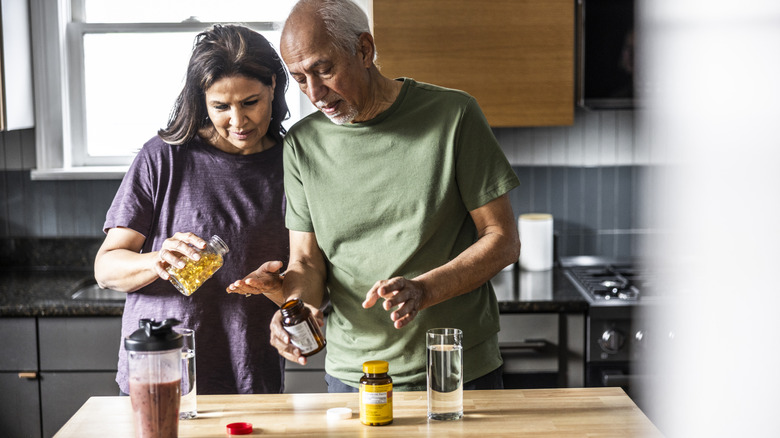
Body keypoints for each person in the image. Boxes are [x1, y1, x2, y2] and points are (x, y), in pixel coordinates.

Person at [270, 0, 521, 392]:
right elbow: (305, 262)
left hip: (456, 366)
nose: (315, 92)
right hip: (354, 375)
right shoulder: (302, 145)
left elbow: (502, 240)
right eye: (300, 78)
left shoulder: (454, 116)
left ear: (364, 50)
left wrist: (424, 290)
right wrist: (295, 307)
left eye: (323, 69)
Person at [94, 24, 290, 395]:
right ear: (202, 101)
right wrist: (156, 261)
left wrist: (279, 289)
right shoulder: (164, 156)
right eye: (220, 106)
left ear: (272, 88)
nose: (237, 120)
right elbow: (105, 269)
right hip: (160, 371)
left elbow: (311, 278)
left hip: (250, 373)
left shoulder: (292, 163)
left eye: (250, 102)